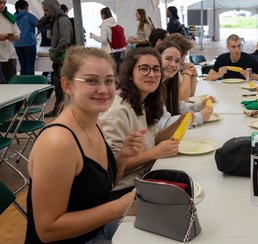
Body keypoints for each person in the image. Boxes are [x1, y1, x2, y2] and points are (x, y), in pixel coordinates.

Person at [25, 46, 146, 243]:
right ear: (67, 85)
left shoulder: (95, 124)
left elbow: (99, 189)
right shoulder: (58, 142)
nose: (104, 89)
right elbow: (47, 230)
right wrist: (118, 207)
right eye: (91, 81)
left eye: (109, 81)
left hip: (96, 231)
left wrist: (123, 156)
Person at [100, 45, 182, 199]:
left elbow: (154, 140)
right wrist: (154, 153)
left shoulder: (144, 101)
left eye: (156, 69)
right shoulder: (117, 111)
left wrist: (181, 122)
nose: (152, 74)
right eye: (144, 69)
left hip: (144, 177)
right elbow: (112, 169)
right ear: (130, 74)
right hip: (123, 191)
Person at [156, 41, 212, 129]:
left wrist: (199, 106)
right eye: (168, 58)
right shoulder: (152, 86)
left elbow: (177, 105)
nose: (173, 64)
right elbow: (163, 124)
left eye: (177, 61)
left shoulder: (168, 81)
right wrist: (200, 117)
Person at [38, 0, 73, 117]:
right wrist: (47, 15)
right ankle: (59, 110)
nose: (46, 13)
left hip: (63, 59)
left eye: (46, 10)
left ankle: (62, 111)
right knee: (58, 86)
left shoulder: (63, 20)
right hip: (59, 59)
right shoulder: (55, 20)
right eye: (44, 10)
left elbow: (65, 40)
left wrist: (54, 51)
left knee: (62, 87)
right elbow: (40, 25)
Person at [90, 7, 126, 72]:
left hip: (110, 52)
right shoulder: (115, 23)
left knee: (110, 71)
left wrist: (93, 36)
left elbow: (103, 40)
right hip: (118, 50)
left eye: (101, 15)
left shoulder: (104, 25)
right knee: (117, 71)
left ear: (104, 15)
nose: (101, 17)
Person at [164, 33, 198, 101]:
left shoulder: (177, 70)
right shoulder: (168, 72)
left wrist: (194, 75)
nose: (173, 64)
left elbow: (190, 95)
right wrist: (187, 74)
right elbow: (181, 101)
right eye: (168, 58)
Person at [14, 0, 38, 75]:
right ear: (26, 7)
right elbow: (40, 24)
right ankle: (30, 85)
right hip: (29, 44)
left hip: (17, 44)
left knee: (23, 67)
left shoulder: (13, 17)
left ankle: (23, 84)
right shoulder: (28, 15)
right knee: (30, 67)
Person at [0, 0, 20, 84]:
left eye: (4, 3)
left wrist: (15, 37)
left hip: (10, 56)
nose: (2, 5)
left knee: (11, 85)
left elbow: (17, 32)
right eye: (0, 3)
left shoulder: (9, 16)